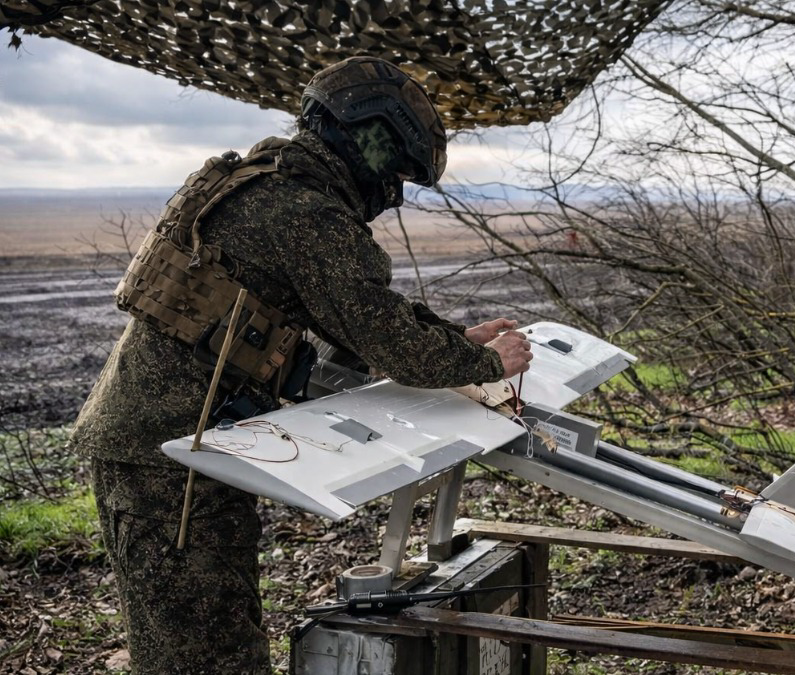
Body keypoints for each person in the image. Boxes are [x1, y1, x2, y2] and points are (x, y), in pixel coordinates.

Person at [70, 56, 532, 674]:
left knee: (208, 630)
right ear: (363, 138)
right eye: (394, 171)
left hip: (166, 440)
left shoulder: (267, 183)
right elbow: (385, 336)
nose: (393, 193)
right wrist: (482, 360)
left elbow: (355, 319)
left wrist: (453, 338)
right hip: (165, 456)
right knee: (204, 653)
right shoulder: (306, 215)